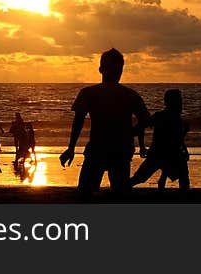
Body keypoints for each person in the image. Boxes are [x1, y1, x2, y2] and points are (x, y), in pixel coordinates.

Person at [59, 49, 150, 199]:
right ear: (121, 70)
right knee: (119, 195)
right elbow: (145, 120)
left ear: (101, 69)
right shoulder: (130, 94)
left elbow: (78, 122)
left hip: (97, 148)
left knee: (85, 194)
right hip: (121, 150)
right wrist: (133, 135)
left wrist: (71, 148)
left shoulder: (88, 93)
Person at [131, 89, 191, 191]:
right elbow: (142, 125)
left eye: (180, 100)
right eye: (178, 100)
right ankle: (119, 192)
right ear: (169, 102)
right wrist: (141, 146)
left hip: (171, 154)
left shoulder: (179, 120)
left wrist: (185, 149)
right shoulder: (160, 116)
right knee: (139, 178)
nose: (181, 103)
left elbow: (178, 139)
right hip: (158, 154)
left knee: (184, 177)